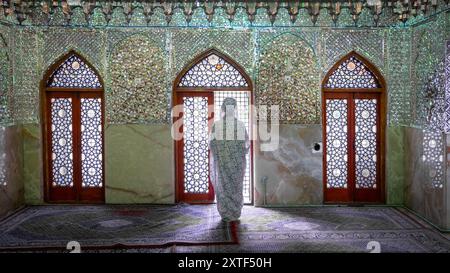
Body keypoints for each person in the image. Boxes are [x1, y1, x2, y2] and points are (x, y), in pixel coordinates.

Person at [209, 97, 249, 222]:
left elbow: (212, 144)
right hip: (235, 164)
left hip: (224, 164)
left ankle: (226, 212)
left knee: (225, 187)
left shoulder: (218, 125)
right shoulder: (239, 125)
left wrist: (221, 155)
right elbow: (246, 145)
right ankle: (234, 212)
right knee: (234, 186)